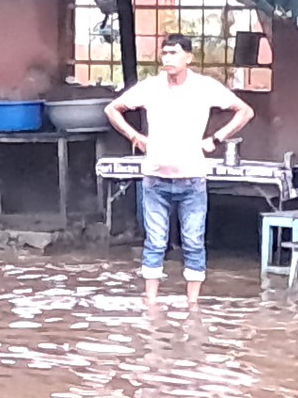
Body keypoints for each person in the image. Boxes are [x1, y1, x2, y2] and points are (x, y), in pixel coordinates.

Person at [106, 36, 253, 296]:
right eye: (164, 54)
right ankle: (151, 301)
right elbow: (112, 109)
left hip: (192, 177)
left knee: (194, 242)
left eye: (173, 53)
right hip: (155, 178)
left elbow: (245, 111)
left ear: (189, 58)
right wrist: (135, 137)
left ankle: (192, 304)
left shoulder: (205, 87)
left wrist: (216, 139)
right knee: (154, 243)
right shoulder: (151, 87)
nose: (167, 59)